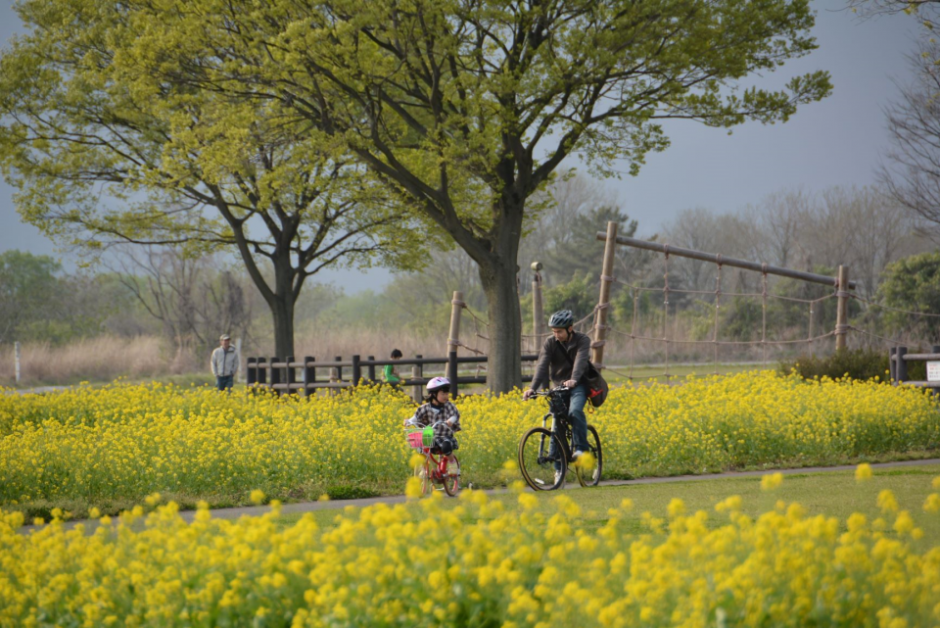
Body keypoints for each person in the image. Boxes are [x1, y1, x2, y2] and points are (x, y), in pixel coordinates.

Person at [523, 310, 591, 482]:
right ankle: (559, 470)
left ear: (570, 328)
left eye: (559, 331)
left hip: (578, 385)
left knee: (575, 412)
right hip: (559, 387)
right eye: (553, 331)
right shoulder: (550, 343)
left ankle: (582, 449)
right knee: (556, 424)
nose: (556, 335)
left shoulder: (582, 340)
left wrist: (574, 379)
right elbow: (542, 366)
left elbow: (581, 360)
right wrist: (532, 388)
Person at [404, 376, 460, 470]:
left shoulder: (448, 406)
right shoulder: (425, 408)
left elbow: (454, 415)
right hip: (429, 434)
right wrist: (408, 421)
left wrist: (450, 421)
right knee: (422, 449)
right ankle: (426, 469)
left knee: (446, 447)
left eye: (447, 393)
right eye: (443, 394)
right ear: (433, 394)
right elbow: (415, 418)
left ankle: (453, 464)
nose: (446, 396)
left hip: (444, 435)